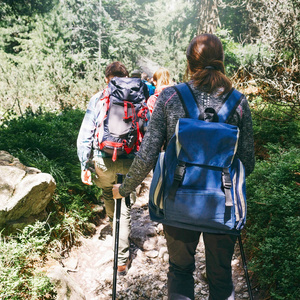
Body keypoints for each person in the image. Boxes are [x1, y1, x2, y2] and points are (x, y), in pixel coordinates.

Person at [113, 34, 255, 299]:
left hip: (178, 202)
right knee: (221, 275)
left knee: (180, 271)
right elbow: (248, 163)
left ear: (189, 64)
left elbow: (147, 155)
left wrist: (125, 189)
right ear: (221, 61)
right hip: (223, 207)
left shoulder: (169, 98)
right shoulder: (239, 102)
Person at [77, 61, 148, 276]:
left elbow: (85, 135)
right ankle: (121, 259)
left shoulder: (99, 98)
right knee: (124, 204)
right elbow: (147, 128)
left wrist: (84, 164)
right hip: (130, 159)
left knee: (108, 191)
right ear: (125, 77)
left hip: (103, 160)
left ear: (107, 78)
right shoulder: (137, 96)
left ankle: (113, 222)